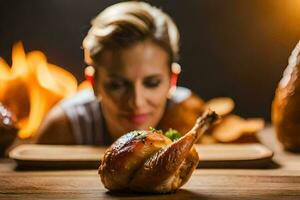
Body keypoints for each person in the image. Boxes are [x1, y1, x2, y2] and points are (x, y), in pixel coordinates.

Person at [36, 1, 204, 145]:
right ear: (93, 83)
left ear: (172, 80)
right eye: (117, 85)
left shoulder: (191, 119)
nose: (136, 102)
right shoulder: (65, 128)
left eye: (152, 83)